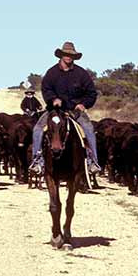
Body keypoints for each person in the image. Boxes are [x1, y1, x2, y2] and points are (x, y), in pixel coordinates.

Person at [29, 41, 100, 175]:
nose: (68, 57)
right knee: (38, 129)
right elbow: (46, 89)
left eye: (71, 54)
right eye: (66, 54)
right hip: (55, 110)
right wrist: (52, 99)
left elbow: (91, 93)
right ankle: (37, 160)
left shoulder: (81, 74)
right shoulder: (52, 73)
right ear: (61, 55)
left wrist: (84, 104)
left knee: (89, 129)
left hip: (75, 111)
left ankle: (92, 161)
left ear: (74, 57)